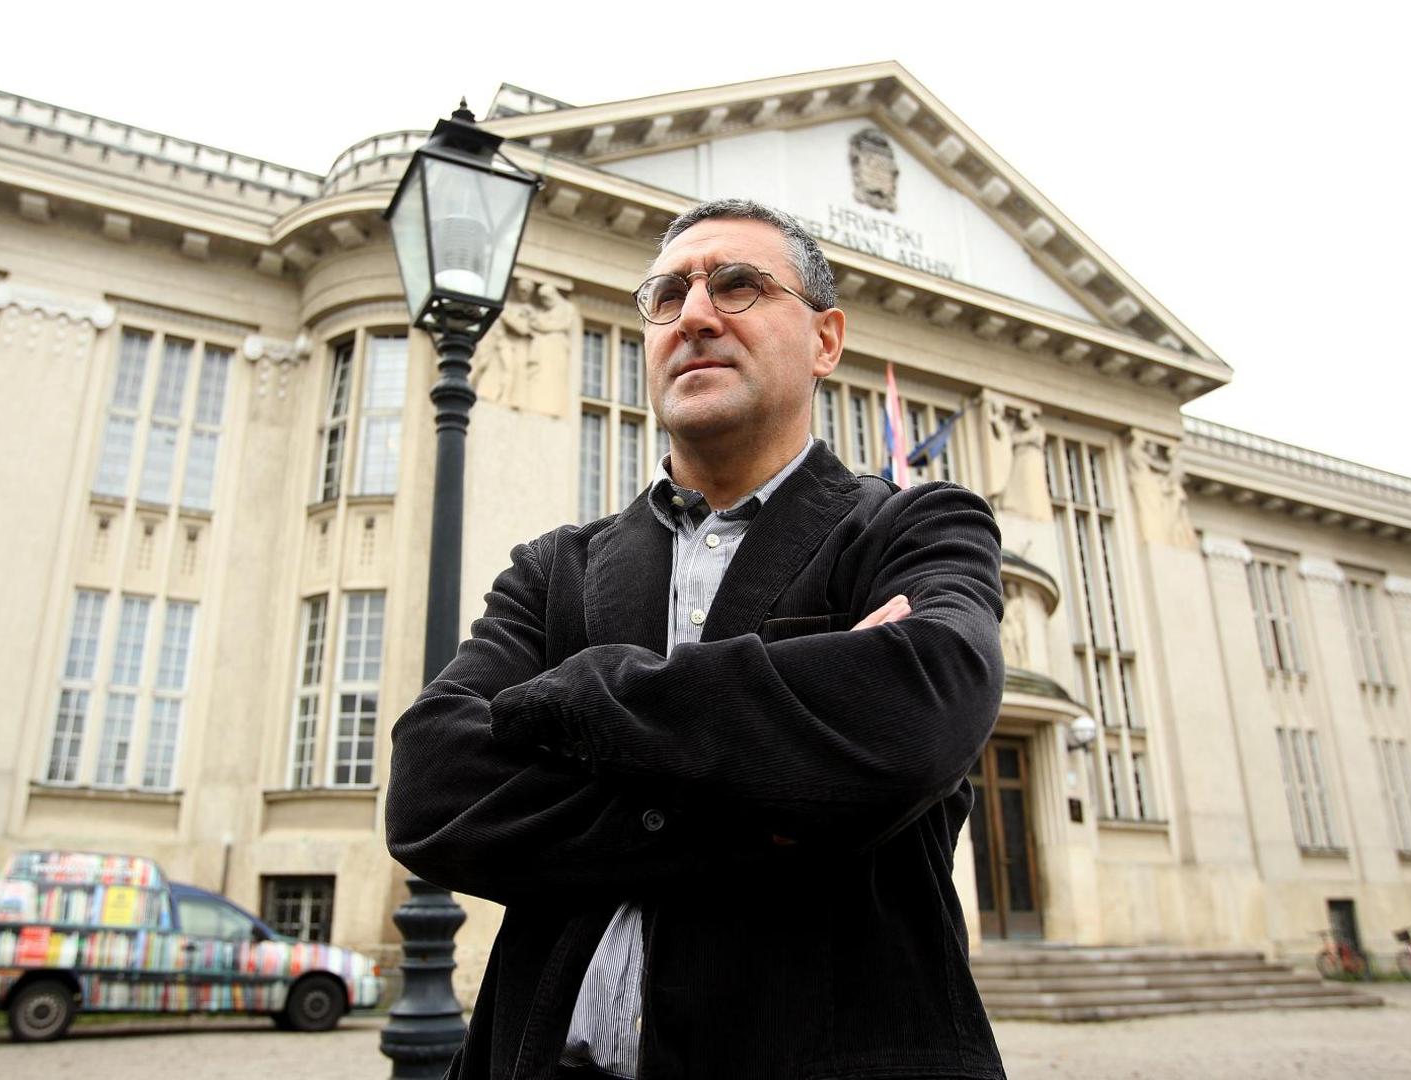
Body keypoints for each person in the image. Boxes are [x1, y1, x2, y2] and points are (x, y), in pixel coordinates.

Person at [386, 198, 1006, 1080]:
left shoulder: (915, 528)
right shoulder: (554, 570)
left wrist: (580, 695)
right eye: (668, 295)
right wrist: (785, 800)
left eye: (739, 285)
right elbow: (429, 789)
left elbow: (923, 710)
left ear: (826, 340)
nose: (696, 315)